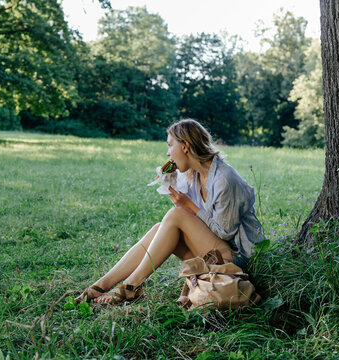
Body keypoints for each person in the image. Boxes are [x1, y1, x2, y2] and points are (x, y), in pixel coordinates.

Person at [76, 119, 265, 304]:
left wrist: (188, 205)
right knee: (160, 227)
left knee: (175, 215)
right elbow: (181, 228)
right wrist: (172, 183)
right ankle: (100, 285)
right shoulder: (193, 175)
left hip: (237, 260)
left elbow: (225, 232)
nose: (167, 154)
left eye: (170, 146)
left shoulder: (224, 179)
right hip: (213, 251)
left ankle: (131, 286)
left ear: (185, 146)